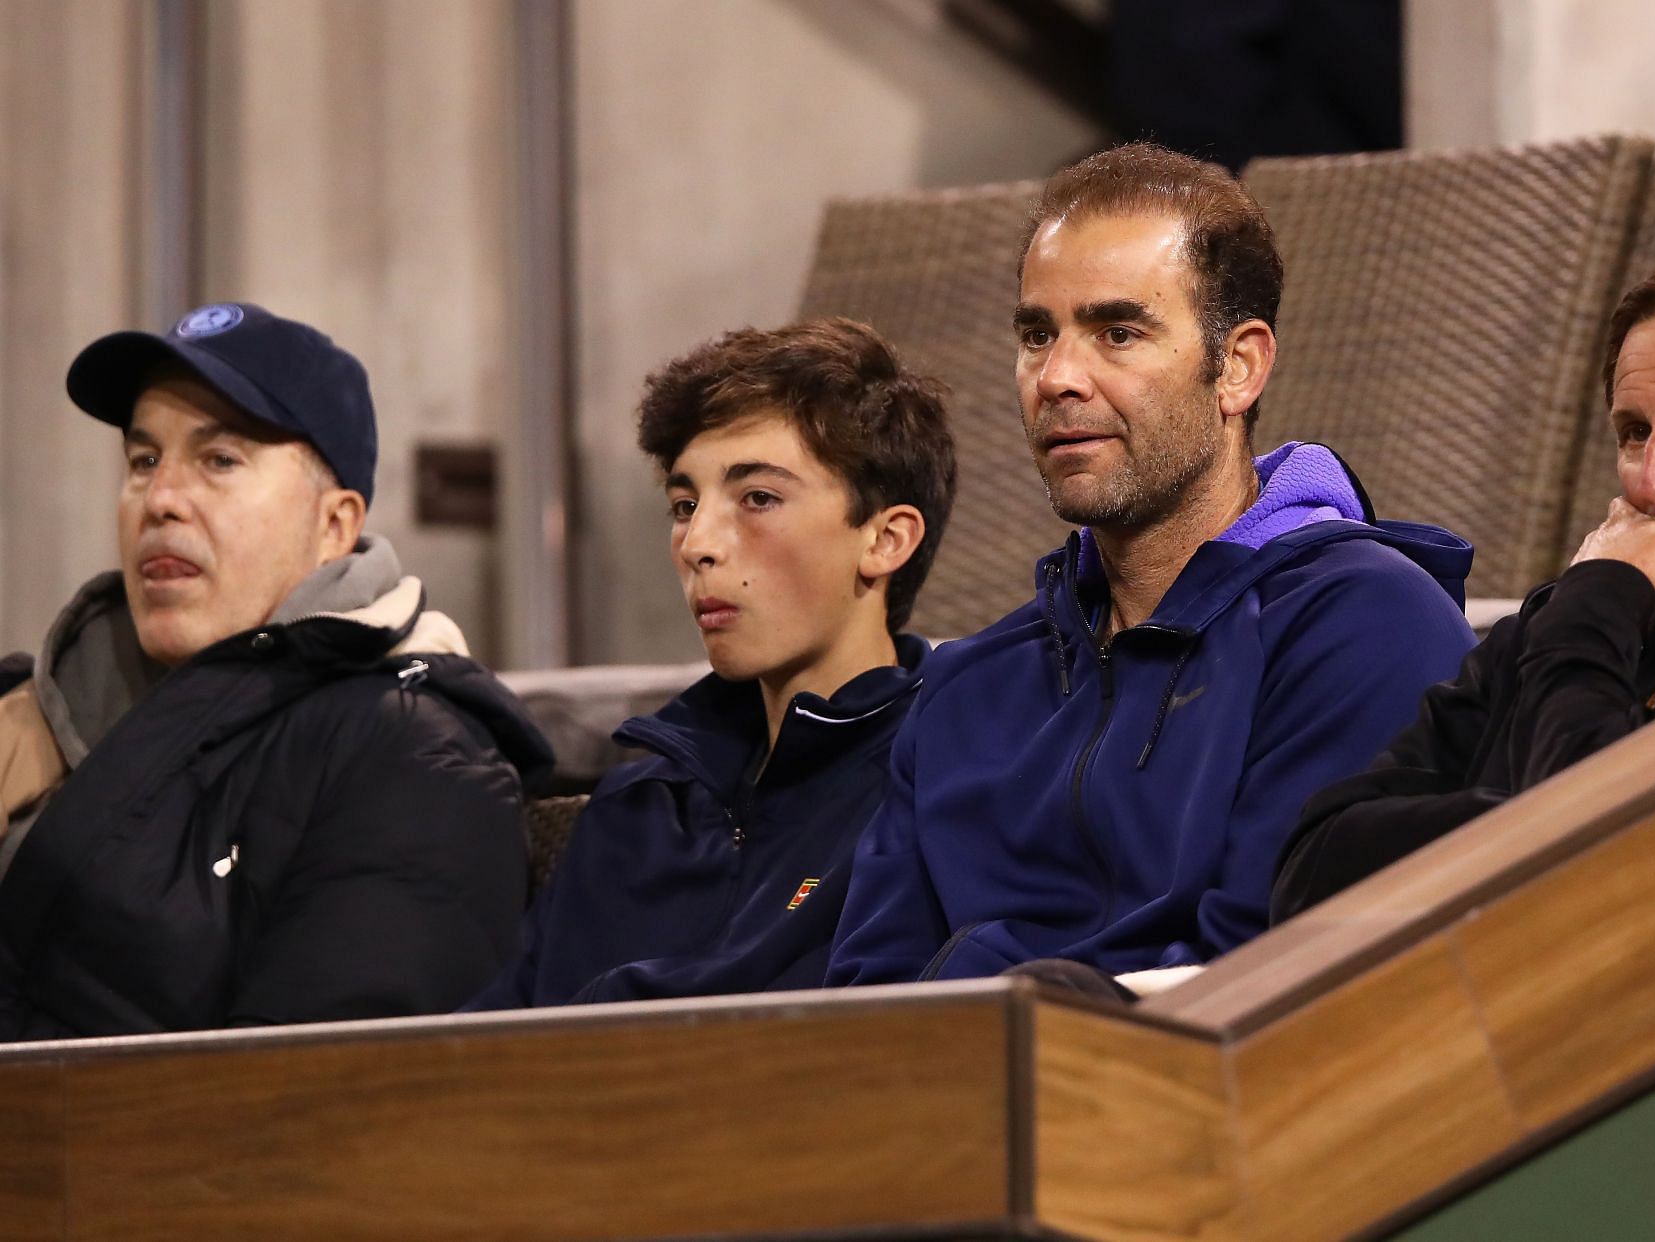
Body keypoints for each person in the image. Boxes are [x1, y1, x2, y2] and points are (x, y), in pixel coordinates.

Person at [827, 142, 1478, 985]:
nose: (1057, 377)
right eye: (1036, 335)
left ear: (1237, 367)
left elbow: (1280, 987)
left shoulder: (1368, 627)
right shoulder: (966, 689)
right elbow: (864, 1010)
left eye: (1118, 331)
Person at [1271, 243, 1655, 920]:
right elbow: (1311, 871)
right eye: (1634, 433)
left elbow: (1594, 873)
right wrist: (1520, 827)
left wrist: (1593, 607)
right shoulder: (1571, 617)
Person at [0, 302, 551, 1040]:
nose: (160, 499)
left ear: (335, 524)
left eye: (220, 460)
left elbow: (309, 1109)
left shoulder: (413, 759)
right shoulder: (31, 712)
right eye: (143, 460)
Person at [464, 318, 956, 1009]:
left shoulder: (948, 778)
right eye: (683, 505)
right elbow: (479, 1049)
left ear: (885, 539)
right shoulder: (634, 811)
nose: (698, 543)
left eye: (758, 498)